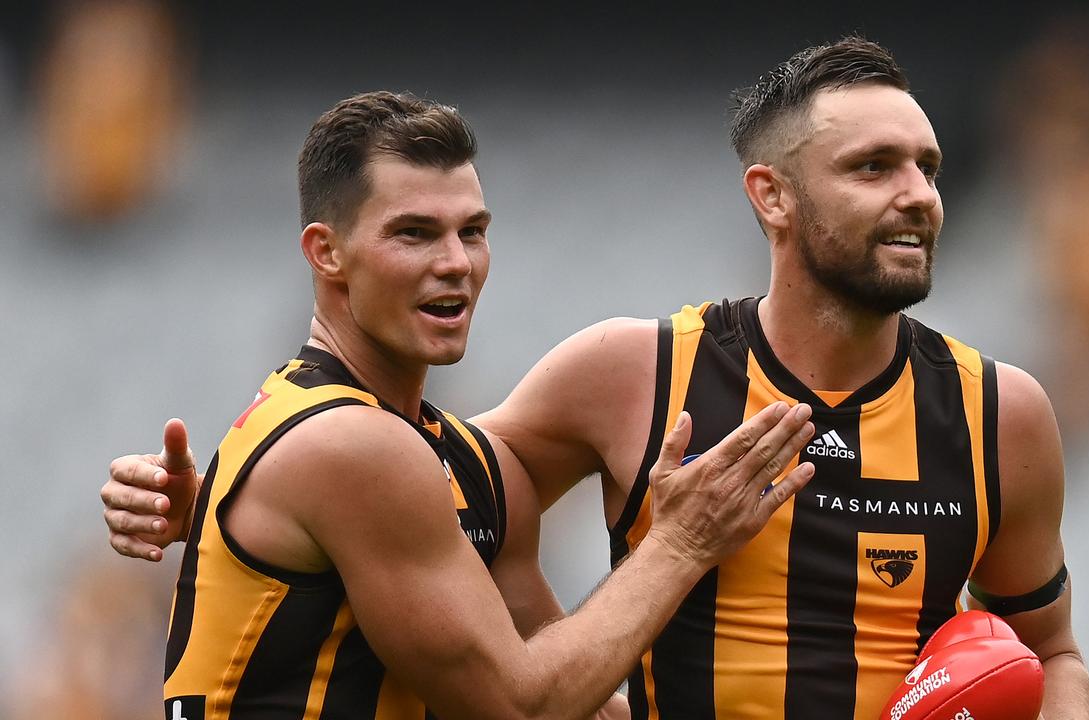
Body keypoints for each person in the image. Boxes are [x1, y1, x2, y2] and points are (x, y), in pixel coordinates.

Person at [103, 37, 1089, 719]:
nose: (918, 194)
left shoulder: (996, 414)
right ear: (773, 198)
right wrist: (247, 501)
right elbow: (425, 515)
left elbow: (1049, 653)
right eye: (874, 166)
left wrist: (238, 499)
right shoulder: (632, 373)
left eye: (925, 165)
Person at [106, 90, 816, 719]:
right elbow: (521, 706)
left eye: (471, 232)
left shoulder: (470, 465)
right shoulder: (350, 447)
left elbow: (576, 702)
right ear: (326, 253)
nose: (456, 262)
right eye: (414, 233)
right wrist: (681, 542)